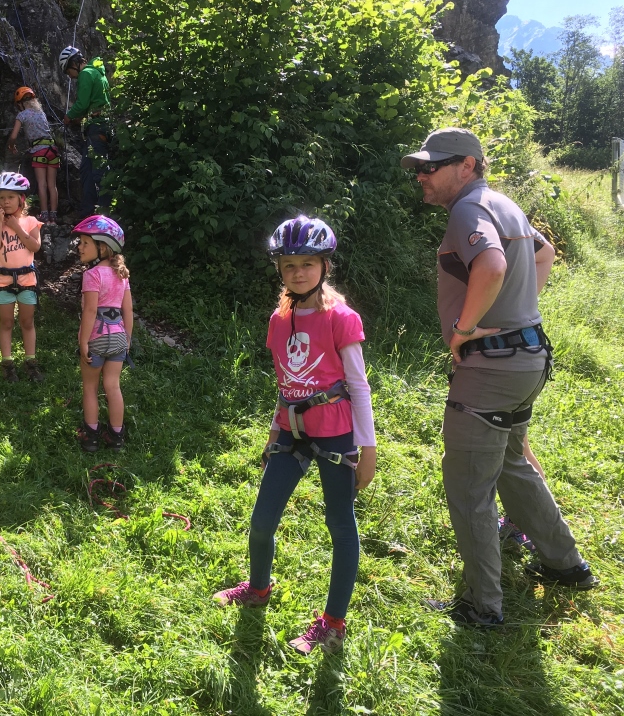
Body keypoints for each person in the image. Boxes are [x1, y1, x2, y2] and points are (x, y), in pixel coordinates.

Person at [401, 127, 598, 627]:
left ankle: (482, 606)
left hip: (490, 369)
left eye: (431, 166)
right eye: (420, 168)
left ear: (466, 165)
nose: (422, 175)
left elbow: (490, 265)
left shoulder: (468, 209)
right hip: (527, 360)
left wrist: (464, 329)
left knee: (469, 487)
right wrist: (517, 311)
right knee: (512, 463)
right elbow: (544, 254)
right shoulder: (501, 203)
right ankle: (566, 565)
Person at [212, 216, 377, 656]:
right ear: (279, 270)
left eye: (307, 263)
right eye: (289, 265)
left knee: (340, 524)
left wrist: (369, 449)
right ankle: (258, 588)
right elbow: (286, 383)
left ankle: (333, 623)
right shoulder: (279, 319)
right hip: (291, 431)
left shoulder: (341, 318)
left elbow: (358, 385)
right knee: (262, 520)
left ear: (325, 266)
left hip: (337, 434)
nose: (298, 272)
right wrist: (273, 432)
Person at [72, 215, 133, 451]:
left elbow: (90, 311)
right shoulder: (122, 275)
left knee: (90, 387)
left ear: (103, 247)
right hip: (118, 337)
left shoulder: (92, 275)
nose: (80, 247)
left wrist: (83, 342)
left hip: (96, 338)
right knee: (113, 386)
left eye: (85, 243)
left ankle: (91, 437)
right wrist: (127, 340)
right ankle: (116, 437)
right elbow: (128, 310)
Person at [0, 172, 44, 383]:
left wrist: (17, 227)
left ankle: (31, 362)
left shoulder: (30, 221)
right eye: (1, 197)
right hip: (4, 281)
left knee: (27, 322)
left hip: (27, 280)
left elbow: (35, 247)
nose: (5, 201)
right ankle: (7, 364)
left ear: (21, 199)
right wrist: (0, 223)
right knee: (6, 322)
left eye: (10, 197)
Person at [60, 45, 112, 218]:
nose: (70, 76)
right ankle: (88, 212)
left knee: (98, 171)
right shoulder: (96, 73)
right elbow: (92, 103)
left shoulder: (86, 74)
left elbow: (82, 104)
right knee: (86, 170)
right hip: (97, 126)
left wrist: (69, 116)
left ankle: (105, 212)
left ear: (73, 63)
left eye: (68, 71)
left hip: (97, 126)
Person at [7, 87, 60, 223]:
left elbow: (13, 136)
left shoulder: (22, 115)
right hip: (52, 150)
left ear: (20, 104)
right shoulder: (41, 113)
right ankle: (54, 215)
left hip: (39, 151)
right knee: (52, 185)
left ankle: (45, 215)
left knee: (42, 184)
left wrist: (11, 146)